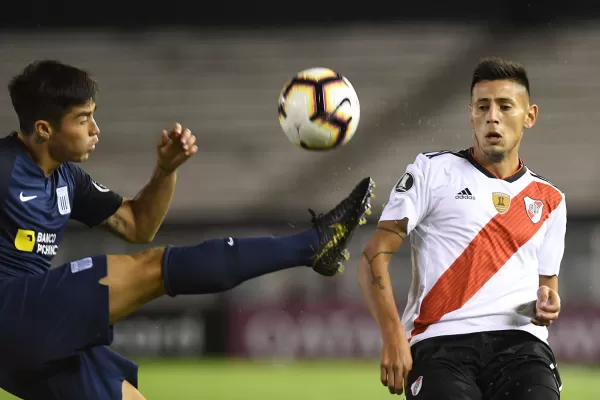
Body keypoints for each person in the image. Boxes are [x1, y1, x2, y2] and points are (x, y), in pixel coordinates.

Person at [0, 60, 375, 400]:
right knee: (151, 266)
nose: (96, 129)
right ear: (44, 129)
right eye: (83, 120)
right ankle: (312, 245)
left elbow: (137, 225)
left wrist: (165, 170)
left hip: (28, 336)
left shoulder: (67, 177)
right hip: (11, 309)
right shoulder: (5, 168)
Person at [358, 57, 565, 399]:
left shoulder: (551, 200)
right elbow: (371, 258)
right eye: (482, 106)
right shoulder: (432, 172)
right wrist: (394, 336)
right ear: (471, 113)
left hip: (522, 349)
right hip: (440, 345)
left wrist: (547, 303)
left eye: (505, 106)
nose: (492, 116)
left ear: (530, 116)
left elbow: (546, 291)